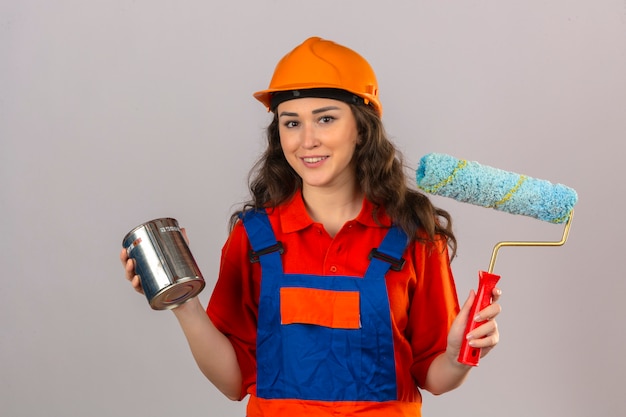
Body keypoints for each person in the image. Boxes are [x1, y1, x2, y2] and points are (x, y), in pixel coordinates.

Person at [120, 36, 501, 417]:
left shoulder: (413, 235)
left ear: (363, 129)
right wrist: (184, 303)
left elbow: (435, 377)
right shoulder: (254, 236)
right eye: (291, 122)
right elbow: (233, 380)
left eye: (326, 118)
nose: (307, 140)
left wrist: (457, 357)